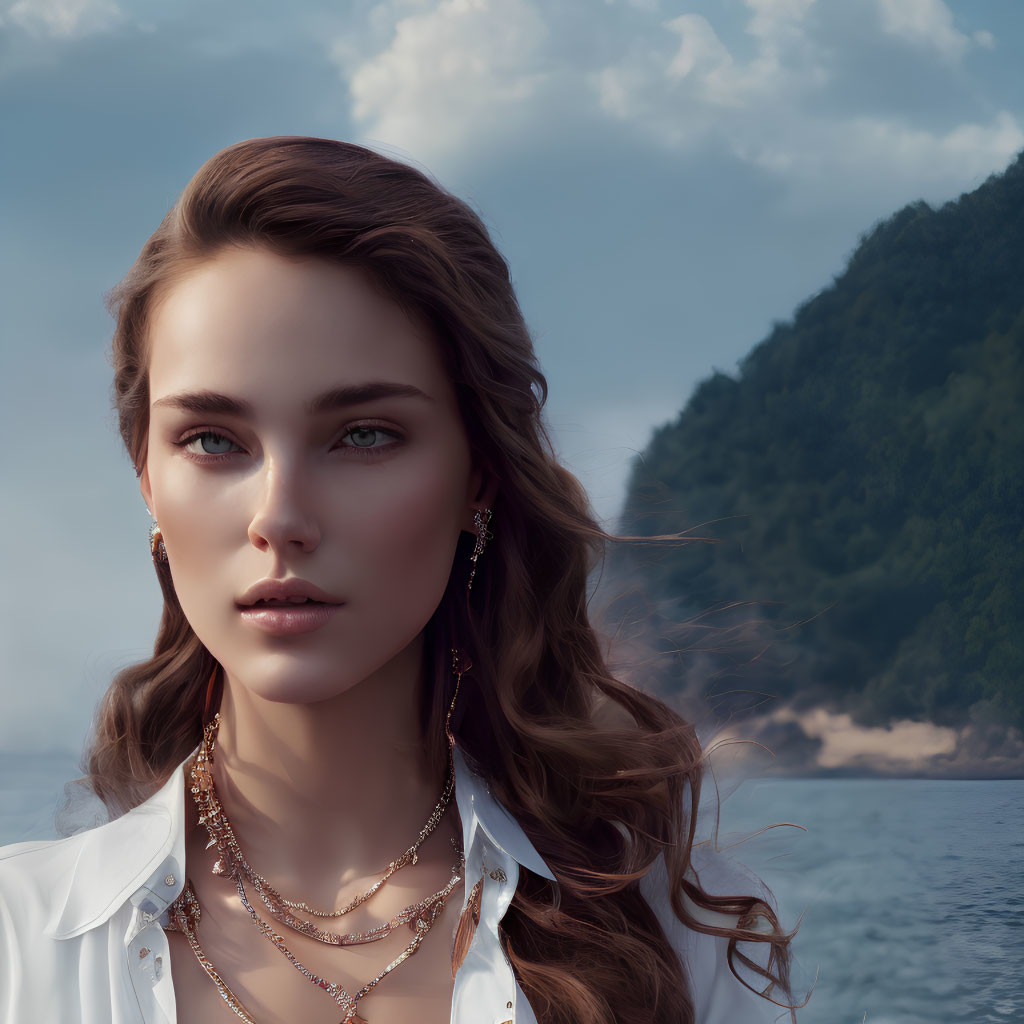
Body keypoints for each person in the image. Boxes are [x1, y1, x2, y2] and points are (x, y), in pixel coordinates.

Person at [0, 136, 802, 1024]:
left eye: (364, 434)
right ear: (148, 478)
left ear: (479, 474)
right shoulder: (16, 944)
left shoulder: (677, 931)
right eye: (214, 440)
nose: (280, 517)